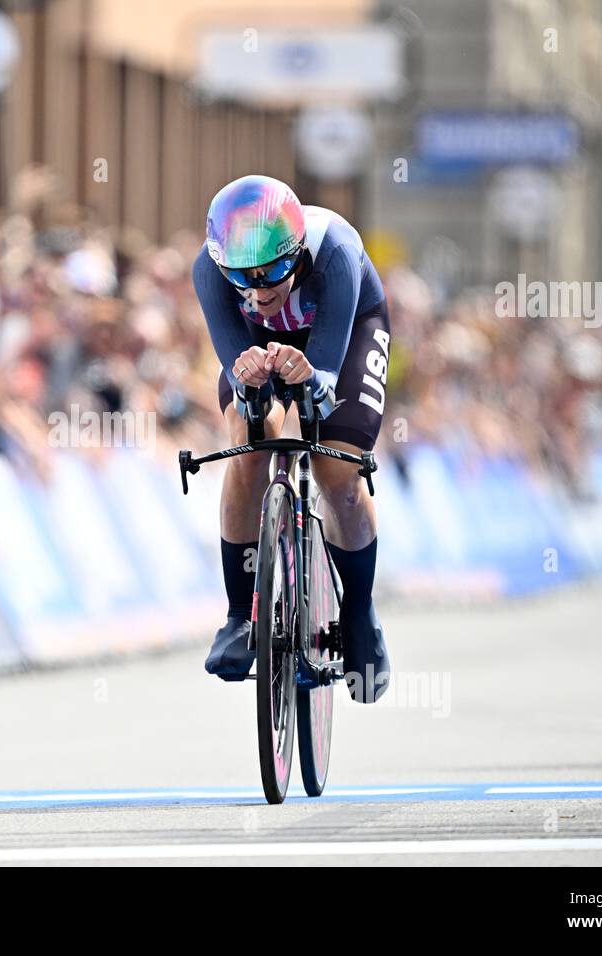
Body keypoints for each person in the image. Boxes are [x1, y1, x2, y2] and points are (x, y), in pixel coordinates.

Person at [192, 174, 391, 703]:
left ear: (298, 251)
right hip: (262, 349)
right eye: (243, 278)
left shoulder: (336, 252)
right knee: (248, 448)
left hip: (343, 341)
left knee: (336, 474)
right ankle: (239, 617)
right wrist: (248, 379)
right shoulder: (208, 272)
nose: (259, 289)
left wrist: (311, 378)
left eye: (275, 271)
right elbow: (235, 368)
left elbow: (324, 381)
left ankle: (359, 611)